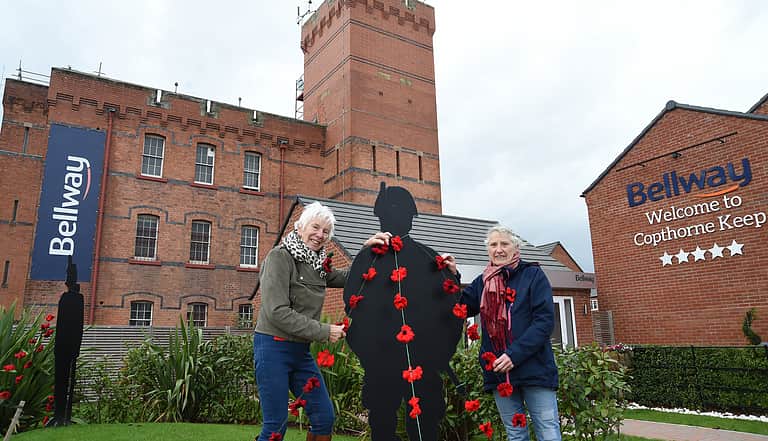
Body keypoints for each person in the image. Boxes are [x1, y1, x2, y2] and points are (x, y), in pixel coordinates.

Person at [253, 201, 388, 441]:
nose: (320, 235)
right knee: (275, 428)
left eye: (326, 231)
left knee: (324, 418)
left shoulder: (317, 264)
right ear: (301, 227)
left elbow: (351, 278)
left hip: (300, 351)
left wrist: (369, 251)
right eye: (315, 227)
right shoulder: (279, 258)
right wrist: (325, 331)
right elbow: (277, 312)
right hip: (273, 348)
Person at [343, 183, 463, 441]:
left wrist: (438, 354)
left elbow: (452, 306)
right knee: (385, 423)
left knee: (422, 424)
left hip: (422, 361)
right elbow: (353, 307)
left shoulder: (429, 258)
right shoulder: (369, 258)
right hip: (381, 363)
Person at [444, 226, 561, 441]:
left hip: (535, 370)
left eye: (504, 244)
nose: (499, 249)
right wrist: (451, 275)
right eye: (493, 245)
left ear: (516, 247)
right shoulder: (483, 281)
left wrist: (513, 355)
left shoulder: (533, 275)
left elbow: (544, 323)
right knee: (515, 434)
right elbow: (458, 308)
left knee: (548, 432)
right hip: (499, 373)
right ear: (488, 250)